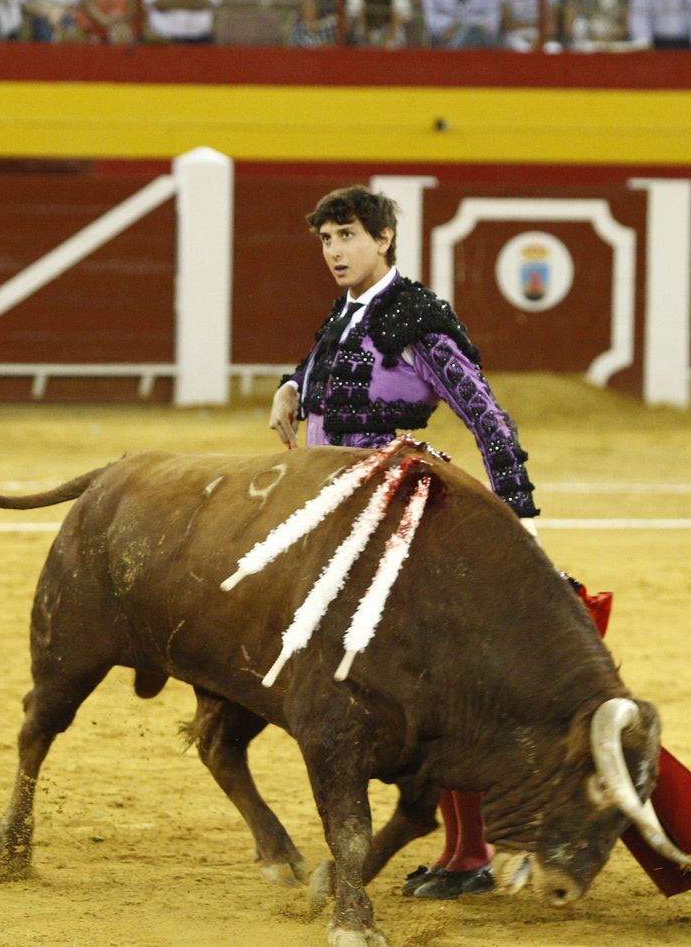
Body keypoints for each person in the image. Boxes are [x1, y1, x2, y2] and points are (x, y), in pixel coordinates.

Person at [268, 185, 540, 902]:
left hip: (390, 520)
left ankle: (472, 848)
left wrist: (519, 522)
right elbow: (325, 360)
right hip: (336, 512)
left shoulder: (417, 317)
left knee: (435, 688)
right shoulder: (353, 307)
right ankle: (458, 844)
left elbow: (488, 419)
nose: (335, 251)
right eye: (326, 239)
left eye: (348, 235)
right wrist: (291, 383)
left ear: (385, 237)